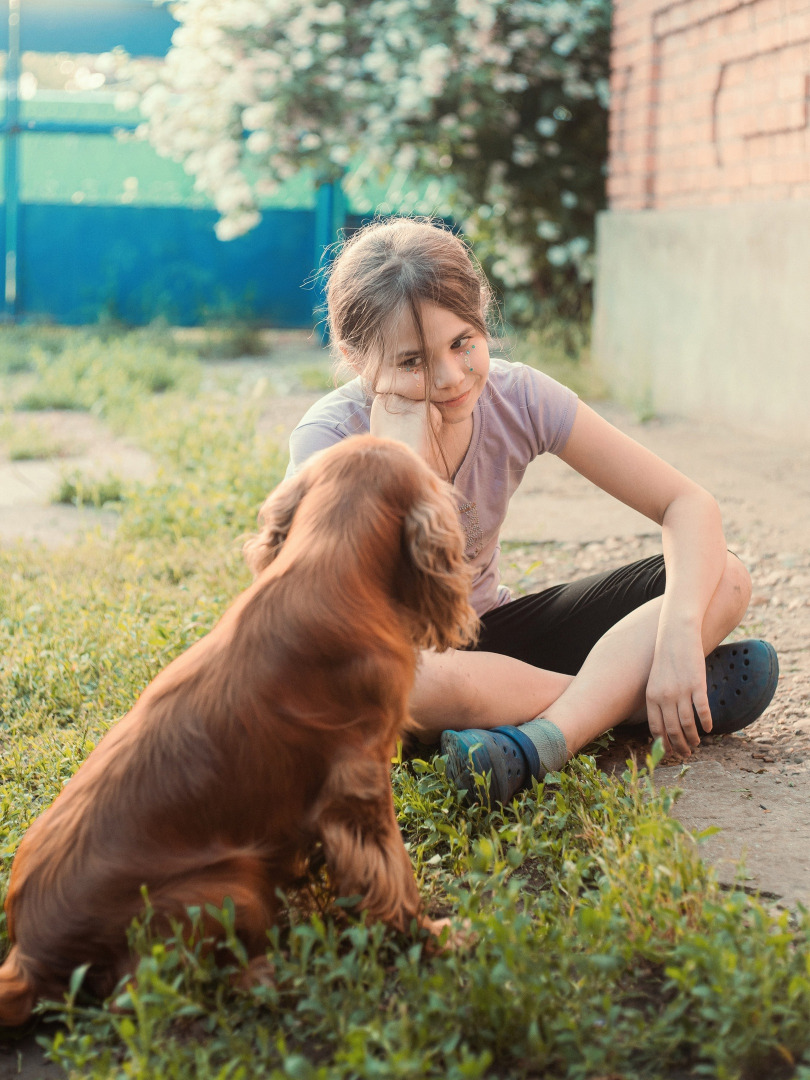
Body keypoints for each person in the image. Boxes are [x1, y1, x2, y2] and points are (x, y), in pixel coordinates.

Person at [286, 217, 778, 804]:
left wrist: (676, 636)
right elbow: (333, 614)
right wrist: (399, 462)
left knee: (723, 574)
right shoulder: (328, 438)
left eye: (463, 342)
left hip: (494, 639)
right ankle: (632, 705)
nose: (448, 377)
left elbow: (686, 502)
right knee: (414, 678)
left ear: (483, 319)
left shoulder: (518, 396)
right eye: (412, 362)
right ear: (354, 355)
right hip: (397, 658)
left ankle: (550, 734)